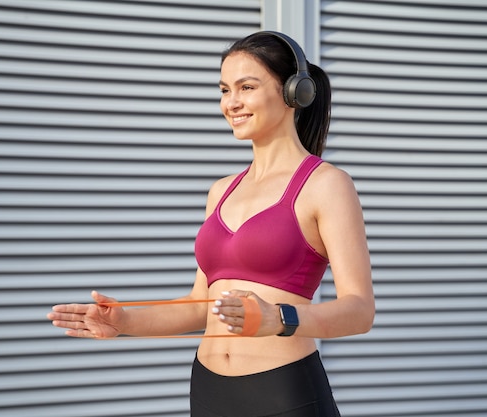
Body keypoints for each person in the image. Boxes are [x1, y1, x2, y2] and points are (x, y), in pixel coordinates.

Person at [47, 31, 374, 417]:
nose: (231, 103)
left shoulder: (326, 184)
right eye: (224, 90)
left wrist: (279, 318)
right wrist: (124, 321)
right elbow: (197, 306)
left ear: (293, 93)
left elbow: (359, 310)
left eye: (246, 87)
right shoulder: (221, 191)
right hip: (209, 390)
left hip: (284, 392)